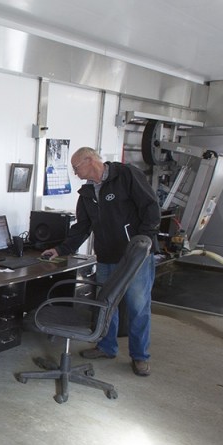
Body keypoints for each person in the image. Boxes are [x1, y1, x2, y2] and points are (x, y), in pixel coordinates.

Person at [40, 147, 160, 376]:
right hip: (106, 256)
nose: (75, 173)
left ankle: (140, 356)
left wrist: (144, 241)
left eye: (76, 168)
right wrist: (61, 249)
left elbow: (150, 207)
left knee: (138, 307)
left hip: (135, 257)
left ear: (90, 160)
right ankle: (106, 347)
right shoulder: (86, 193)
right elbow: (82, 228)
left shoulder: (126, 175)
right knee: (106, 306)